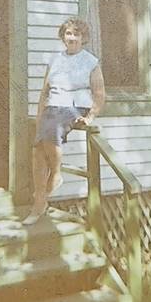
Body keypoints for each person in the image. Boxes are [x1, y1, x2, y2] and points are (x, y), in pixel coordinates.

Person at [23, 17, 105, 225]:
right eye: (68, 34)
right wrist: (39, 117)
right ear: (63, 37)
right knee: (38, 150)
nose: (72, 38)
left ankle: (55, 176)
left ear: (83, 38)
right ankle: (40, 202)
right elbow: (44, 92)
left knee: (51, 130)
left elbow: (99, 93)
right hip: (53, 106)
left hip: (76, 105)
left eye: (76, 34)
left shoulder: (90, 61)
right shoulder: (55, 60)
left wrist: (90, 116)